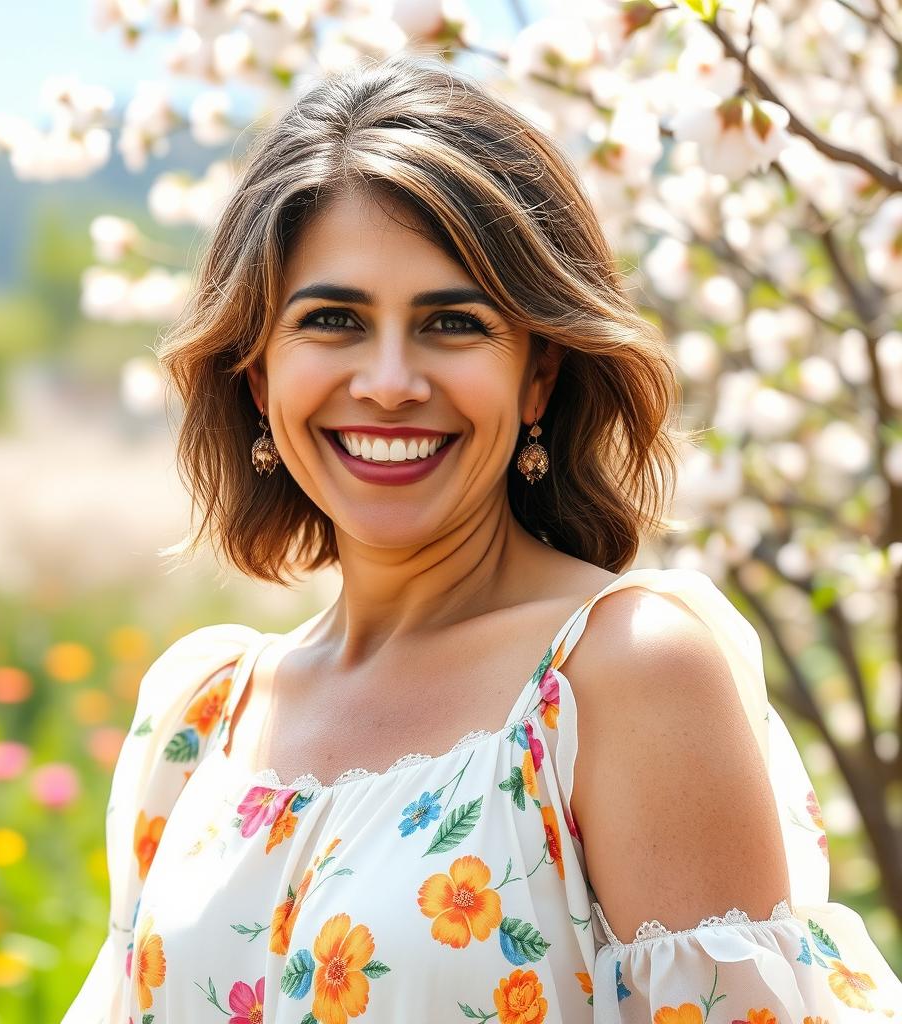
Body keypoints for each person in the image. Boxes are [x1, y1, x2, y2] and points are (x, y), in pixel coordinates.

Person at [61, 52, 902, 1024]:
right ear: (257, 376)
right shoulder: (196, 714)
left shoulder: (617, 677)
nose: (387, 380)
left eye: (451, 323)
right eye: (330, 319)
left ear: (536, 376)